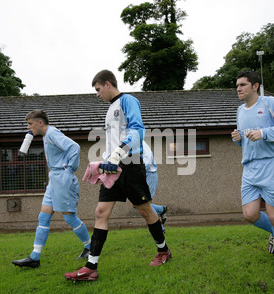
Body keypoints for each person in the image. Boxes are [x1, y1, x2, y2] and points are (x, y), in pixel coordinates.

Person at [64, 70, 171, 282]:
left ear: (107, 83)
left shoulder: (128, 101)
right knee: (100, 212)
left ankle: (163, 250)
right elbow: (114, 141)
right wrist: (104, 161)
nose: (96, 94)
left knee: (144, 210)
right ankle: (91, 267)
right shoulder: (109, 110)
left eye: (97, 89)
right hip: (112, 167)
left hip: (131, 164)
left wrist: (118, 153)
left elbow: (137, 131)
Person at [231, 70, 274, 275]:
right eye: (237, 86)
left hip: (272, 165)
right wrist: (238, 139)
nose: (239, 89)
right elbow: (248, 140)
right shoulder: (240, 111)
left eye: (243, 85)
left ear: (255, 86)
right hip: (249, 168)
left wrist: (265, 133)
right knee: (250, 214)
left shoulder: (270, 103)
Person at [12, 110, 91, 268]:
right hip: (53, 179)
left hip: (62, 178)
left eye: (30, 124)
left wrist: (69, 169)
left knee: (69, 218)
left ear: (40, 122)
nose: (28, 127)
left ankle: (90, 247)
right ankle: (35, 257)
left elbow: (74, 147)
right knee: (43, 217)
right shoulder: (45, 136)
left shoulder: (52, 133)